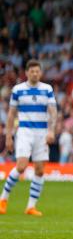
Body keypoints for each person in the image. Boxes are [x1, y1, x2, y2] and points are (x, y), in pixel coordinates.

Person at [1, 60, 57, 216]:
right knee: (21, 166)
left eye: (37, 71)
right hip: (25, 131)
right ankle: (3, 198)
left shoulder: (47, 89)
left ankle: (30, 206)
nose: (35, 74)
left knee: (39, 170)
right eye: (32, 71)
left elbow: (53, 111)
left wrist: (52, 131)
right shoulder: (18, 90)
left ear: (41, 73)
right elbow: (11, 114)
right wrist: (9, 136)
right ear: (26, 73)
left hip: (42, 133)